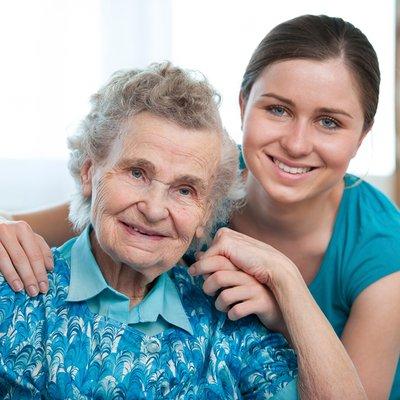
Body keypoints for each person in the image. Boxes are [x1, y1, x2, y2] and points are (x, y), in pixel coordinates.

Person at [1, 13, 399, 398]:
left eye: (329, 121)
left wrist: (285, 285)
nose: (296, 144)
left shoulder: (383, 248)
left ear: (362, 136)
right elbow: (81, 210)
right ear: (243, 105)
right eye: (278, 109)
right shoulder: (200, 166)